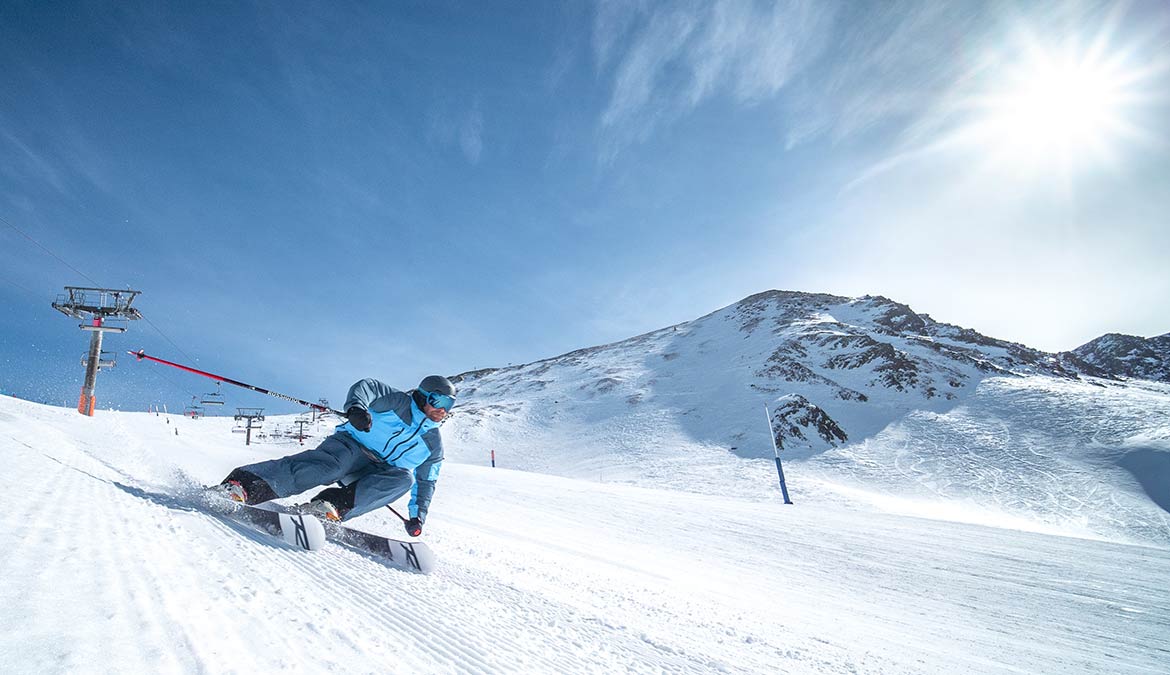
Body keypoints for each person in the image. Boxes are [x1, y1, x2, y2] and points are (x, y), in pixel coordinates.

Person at [214, 375, 455, 537]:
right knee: (329, 467)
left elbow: (427, 481)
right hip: (350, 446)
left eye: (449, 405)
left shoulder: (432, 445)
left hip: (376, 471)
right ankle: (244, 485)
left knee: (405, 479)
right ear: (423, 396)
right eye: (438, 400)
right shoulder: (396, 402)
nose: (442, 409)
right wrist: (357, 408)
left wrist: (417, 517)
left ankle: (327, 508)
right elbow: (367, 387)